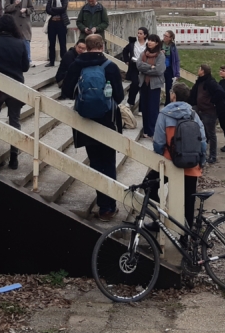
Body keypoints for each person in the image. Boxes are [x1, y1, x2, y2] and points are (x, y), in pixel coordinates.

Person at [62, 33, 125, 221]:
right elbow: (120, 96)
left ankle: (104, 205)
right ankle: (109, 207)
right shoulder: (110, 66)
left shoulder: (76, 65)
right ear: (102, 46)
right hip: (108, 122)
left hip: (85, 122)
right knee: (108, 163)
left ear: (86, 47)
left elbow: (66, 91)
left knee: (96, 163)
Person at [151, 81, 207, 226]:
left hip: (171, 162)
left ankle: (160, 221)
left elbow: (158, 142)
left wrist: (161, 155)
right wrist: (201, 160)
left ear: (173, 96)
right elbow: (202, 141)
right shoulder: (193, 114)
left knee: (148, 186)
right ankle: (185, 238)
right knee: (189, 202)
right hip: (191, 164)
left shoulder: (164, 114)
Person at [0, 14, 32, 169]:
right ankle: (14, 157)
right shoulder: (20, 43)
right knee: (14, 121)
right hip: (15, 87)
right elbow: (25, 67)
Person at [188, 65, 225, 164]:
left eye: (199, 69)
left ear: (203, 71)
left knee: (211, 134)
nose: (198, 70)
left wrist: (211, 102)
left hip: (209, 112)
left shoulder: (210, 82)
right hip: (200, 110)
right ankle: (202, 153)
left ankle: (213, 156)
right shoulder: (200, 81)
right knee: (202, 133)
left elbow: (220, 92)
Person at [135, 34, 166, 138]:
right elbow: (138, 65)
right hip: (144, 84)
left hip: (154, 85)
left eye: (152, 41)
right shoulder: (144, 53)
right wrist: (150, 67)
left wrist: (147, 69)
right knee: (144, 107)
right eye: (149, 40)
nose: (150, 42)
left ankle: (153, 131)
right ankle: (146, 129)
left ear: (157, 43)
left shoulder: (160, 55)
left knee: (153, 108)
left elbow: (159, 70)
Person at [5, 0, 35, 64]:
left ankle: (28, 60)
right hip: (14, 22)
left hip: (25, 22)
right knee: (14, 41)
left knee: (26, 41)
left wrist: (26, 10)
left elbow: (32, 8)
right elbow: (6, 8)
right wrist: (15, 4)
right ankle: (15, 60)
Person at [121, 28, 148, 109]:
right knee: (135, 84)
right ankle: (130, 102)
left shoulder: (148, 44)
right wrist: (126, 60)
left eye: (140, 33)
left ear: (145, 35)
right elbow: (125, 51)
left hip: (144, 67)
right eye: (138, 33)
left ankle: (141, 108)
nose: (138, 35)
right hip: (134, 66)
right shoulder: (133, 42)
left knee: (143, 86)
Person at [45, 0, 69, 67]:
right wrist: (57, 10)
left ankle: (64, 60)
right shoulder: (51, 0)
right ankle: (51, 61)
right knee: (51, 43)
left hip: (61, 23)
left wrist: (53, 9)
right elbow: (48, 10)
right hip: (52, 23)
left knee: (62, 43)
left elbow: (63, 9)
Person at [162, 31, 181, 106]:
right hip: (159, 69)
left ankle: (167, 104)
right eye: (164, 35)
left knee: (168, 89)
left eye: (166, 36)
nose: (164, 37)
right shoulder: (160, 44)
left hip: (169, 69)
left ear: (170, 38)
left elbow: (176, 60)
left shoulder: (173, 47)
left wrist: (177, 73)